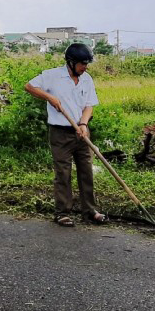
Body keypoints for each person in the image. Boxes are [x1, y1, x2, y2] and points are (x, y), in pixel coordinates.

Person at [25, 43, 107, 227]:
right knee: (63, 172)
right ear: (70, 62)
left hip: (81, 132)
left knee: (86, 172)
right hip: (60, 133)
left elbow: (89, 105)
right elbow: (29, 86)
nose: (85, 67)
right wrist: (50, 98)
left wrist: (84, 124)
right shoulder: (52, 76)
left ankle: (90, 211)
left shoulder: (87, 79)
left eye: (87, 64)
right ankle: (62, 212)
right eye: (82, 64)